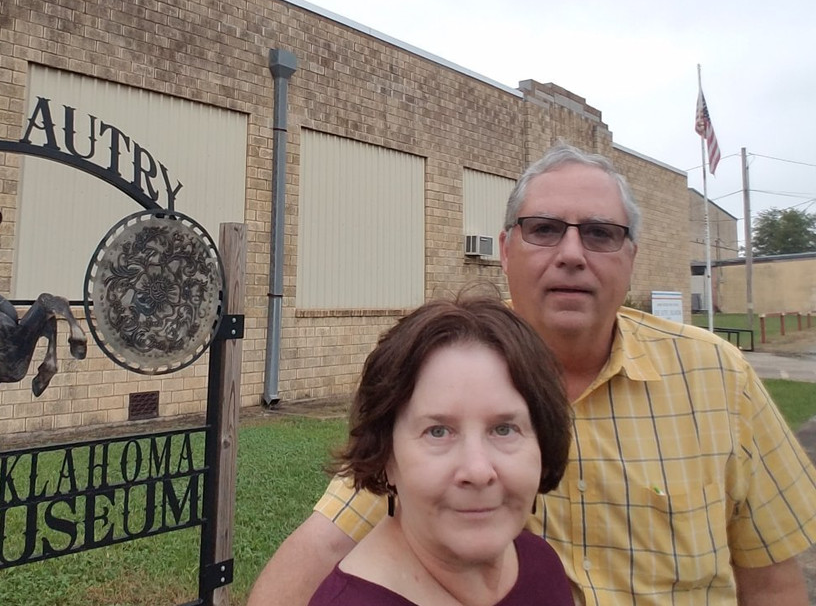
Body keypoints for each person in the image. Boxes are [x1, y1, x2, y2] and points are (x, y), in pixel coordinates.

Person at [249, 144, 816, 606]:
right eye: (544, 229)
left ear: (632, 255)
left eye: (600, 233)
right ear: (504, 249)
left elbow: (771, 581)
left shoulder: (718, 377)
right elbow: (324, 547)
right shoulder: (447, 377)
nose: (572, 253)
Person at [308, 296, 573, 605]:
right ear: (385, 457)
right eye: (438, 432)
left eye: (504, 429)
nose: (477, 471)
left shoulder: (542, 567)